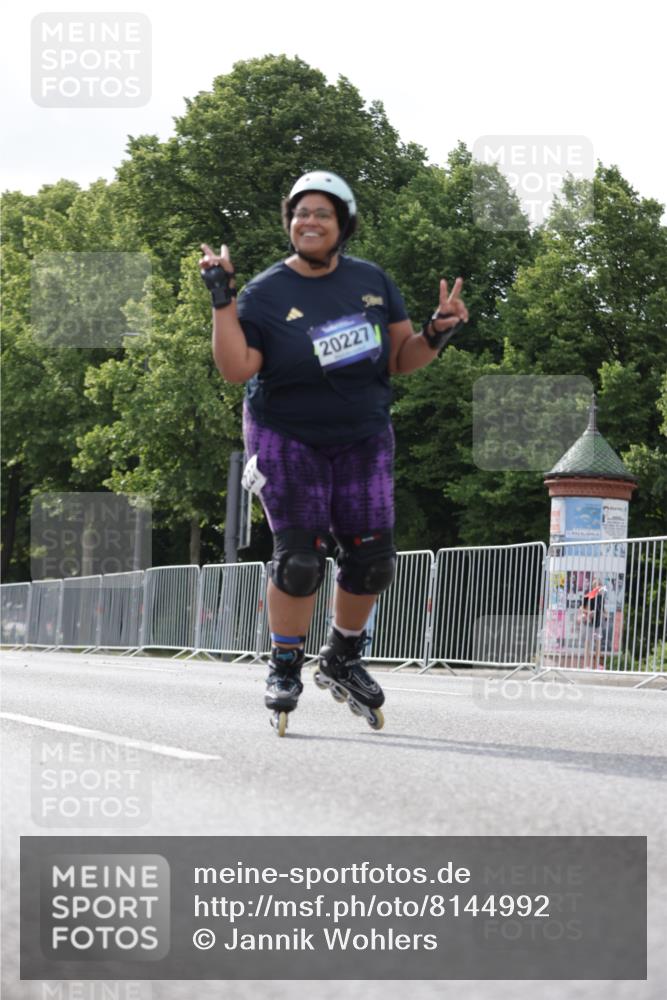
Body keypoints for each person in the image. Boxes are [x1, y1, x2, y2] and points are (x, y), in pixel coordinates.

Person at [200, 170, 468, 735]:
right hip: (284, 432)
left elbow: (401, 358)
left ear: (342, 224)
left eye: (322, 213)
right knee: (300, 561)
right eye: (300, 213)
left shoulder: (372, 282)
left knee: (372, 561)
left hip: (363, 432)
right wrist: (222, 299)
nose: (309, 222)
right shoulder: (266, 292)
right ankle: (284, 664)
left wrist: (438, 332)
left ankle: (343, 655)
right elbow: (235, 369)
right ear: (289, 223)